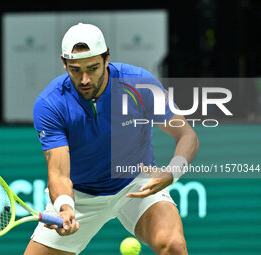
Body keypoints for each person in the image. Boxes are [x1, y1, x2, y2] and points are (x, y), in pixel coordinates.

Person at [25, 23, 199, 255]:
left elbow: (186, 135)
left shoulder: (138, 84)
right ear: (64, 63)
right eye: (75, 70)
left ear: (107, 59)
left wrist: (172, 172)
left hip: (136, 184)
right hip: (80, 196)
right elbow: (58, 173)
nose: (85, 79)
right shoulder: (50, 103)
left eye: (93, 67)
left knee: (173, 245)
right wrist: (64, 207)